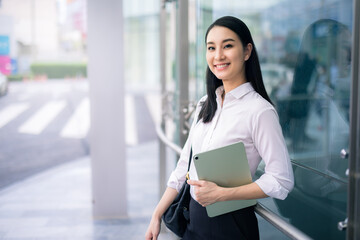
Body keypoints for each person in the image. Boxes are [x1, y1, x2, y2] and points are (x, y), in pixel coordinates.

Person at [145, 16, 294, 240]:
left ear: (246, 51)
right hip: (194, 221)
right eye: (211, 48)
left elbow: (281, 180)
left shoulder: (259, 111)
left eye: (228, 46)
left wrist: (223, 194)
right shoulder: (206, 103)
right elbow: (183, 167)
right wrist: (156, 214)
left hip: (231, 225)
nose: (218, 56)